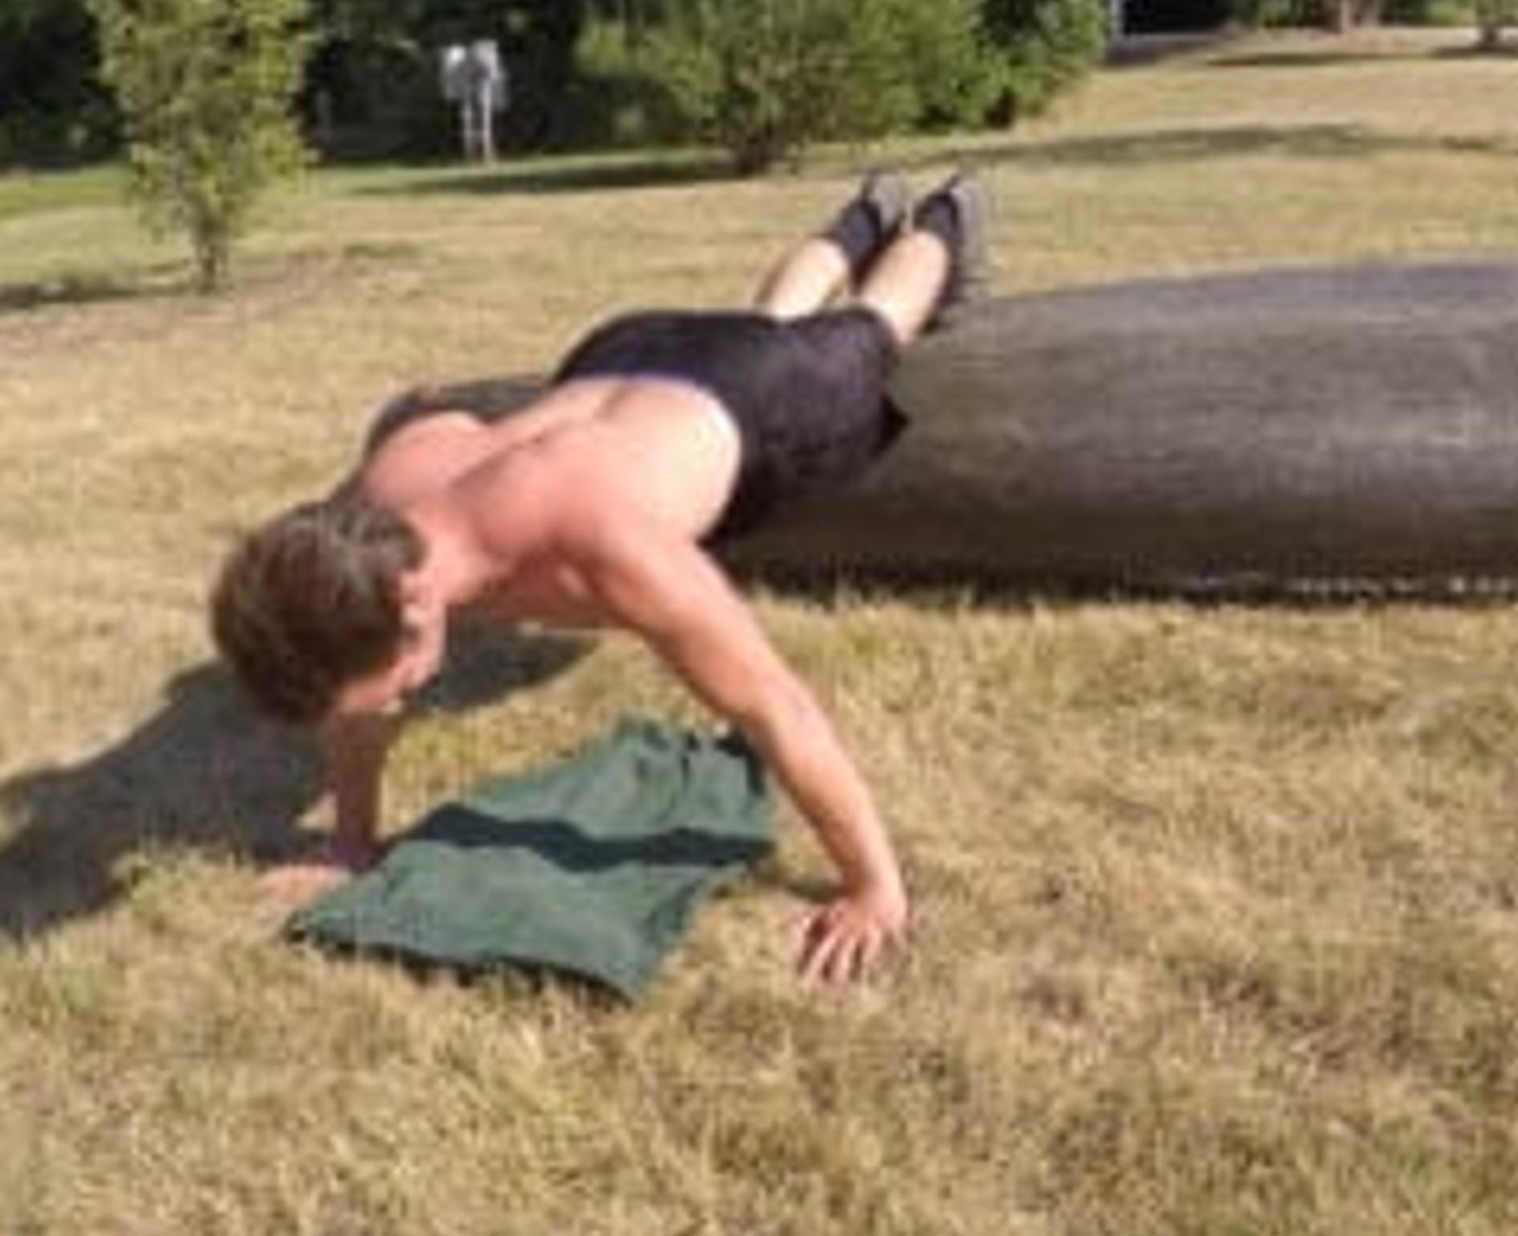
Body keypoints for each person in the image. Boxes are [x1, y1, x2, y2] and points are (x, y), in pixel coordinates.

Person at [209, 169, 989, 985]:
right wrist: (353, 841)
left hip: (764, 401)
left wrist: (874, 886)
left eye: (395, 688)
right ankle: (861, 217)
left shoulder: (596, 540)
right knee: (760, 325)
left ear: (413, 605)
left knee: (874, 327)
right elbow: (440, 439)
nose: (396, 704)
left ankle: (943, 214)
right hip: (618, 355)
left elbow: (771, 704)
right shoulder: (381, 501)